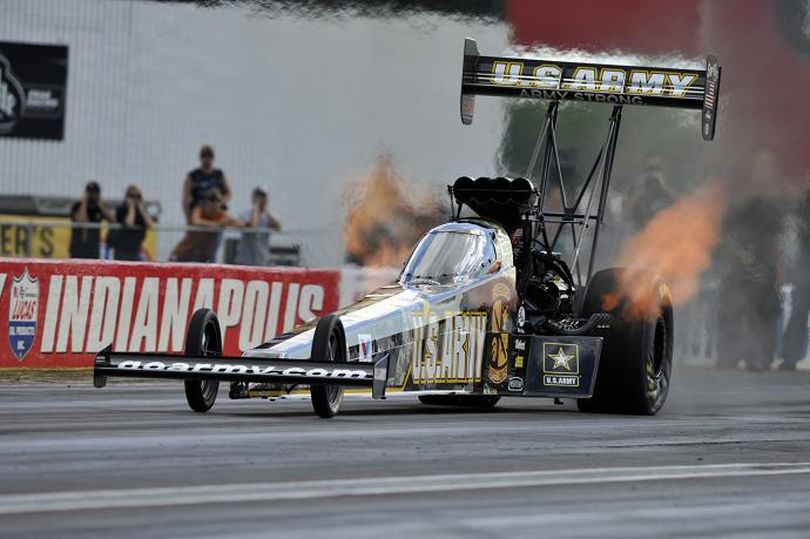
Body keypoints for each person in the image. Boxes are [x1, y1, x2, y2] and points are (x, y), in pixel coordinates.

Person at [715, 152, 784, 371]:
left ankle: (760, 356)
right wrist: (737, 252)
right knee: (730, 307)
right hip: (738, 261)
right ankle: (728, 354)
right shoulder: (739, 201)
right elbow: (726, 231)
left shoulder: (776, 202)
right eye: (759, 168)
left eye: (767, 168)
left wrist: (779, 270)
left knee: (764, 310)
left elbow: (780, 237)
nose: (763, 173)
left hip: (765, 263)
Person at [170, 188, 243, 262]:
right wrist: (217, 224)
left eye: (218, 200)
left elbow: (236, 222)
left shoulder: (220, 213)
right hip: (186, 251)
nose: (217, 203)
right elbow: (196, 221)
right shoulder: (199, 209)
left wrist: (228, 223)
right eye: (213, 200)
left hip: (204, 254)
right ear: (207, 201)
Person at [625, 153, 676, 232]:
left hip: (663, 234)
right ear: (644, 171)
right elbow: (625, 217)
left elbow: (681, 210)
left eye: (657, 168)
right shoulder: (635, 191)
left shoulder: (668, 189)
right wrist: (640, 189)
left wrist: (664, 187)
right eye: (649, 169)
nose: (653, 173)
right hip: (640, 235)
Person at [182, 145, 231, 224]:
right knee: (197, 226)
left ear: (213, 158)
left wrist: (220, 202)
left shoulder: (219, 174)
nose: (207, 159)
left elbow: (228, 193)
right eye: (204, 156)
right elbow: (185, 199)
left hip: (216, 211)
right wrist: (188, 218)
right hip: (200, 211)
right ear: (200, 158)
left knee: (229, 220)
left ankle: (244, 224)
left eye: (209, 157)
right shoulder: (192, 176)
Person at [234, 187, 282, 266]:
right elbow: (253, 227)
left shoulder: (269, 216)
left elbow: (279, 227)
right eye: (259, 197)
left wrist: (265, 211)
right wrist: (256, 207)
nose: (262, 200)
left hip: (262, 260)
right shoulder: (244, 215)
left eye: (264, 197)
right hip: (245, 260)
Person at [70, 181, 114, 259]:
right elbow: (82, 221)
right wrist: (85, 202)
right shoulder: (77, 206)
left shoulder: (99, 208)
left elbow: (113, 220)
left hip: (93, 248)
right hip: (78, 247)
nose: (93, 195)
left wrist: (101, 206)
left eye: (95, 193)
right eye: (90, 192)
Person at [111, 185, 155, 261]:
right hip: (122, 249)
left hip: (136, 248)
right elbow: (129, 224)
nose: (135, 199)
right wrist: (131, 207)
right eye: (132, 196)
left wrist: (142, 209)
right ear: (126, 197)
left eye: (138, 196)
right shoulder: (121, 209)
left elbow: (151, 225)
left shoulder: (142, 212)